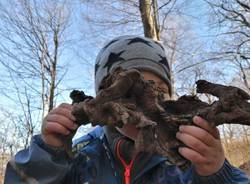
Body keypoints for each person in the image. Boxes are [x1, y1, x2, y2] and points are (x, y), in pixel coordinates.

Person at [4, 35, 249, 184]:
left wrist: (216, 172)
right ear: (102, 101)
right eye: (128, 93)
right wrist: (49, 152)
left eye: (160, 92)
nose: (146, 105)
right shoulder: (81, 155)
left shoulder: (186, 158)